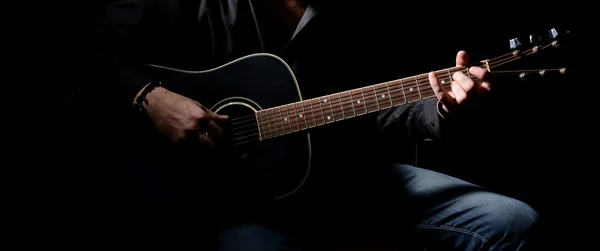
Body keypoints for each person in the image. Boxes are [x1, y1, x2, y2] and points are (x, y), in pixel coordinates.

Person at [75, 0, 539, 250]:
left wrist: (441, 107)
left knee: (511, 220)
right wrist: (149, 98)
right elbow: (88, 45)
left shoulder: (351, 18)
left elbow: (378, 109)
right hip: (218, 201)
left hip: (333, 181)